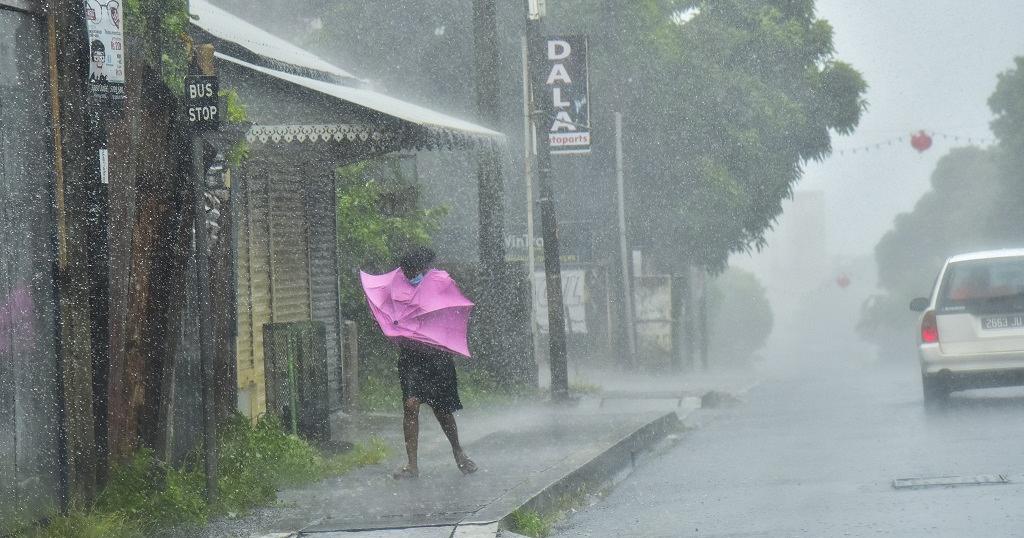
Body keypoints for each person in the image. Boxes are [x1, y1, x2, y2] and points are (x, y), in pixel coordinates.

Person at [392, 246, 477, 479]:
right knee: (410, 405)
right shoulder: (398, 289)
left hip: (437, 357)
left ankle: (458, 451)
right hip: (410, 357)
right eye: (406, 272)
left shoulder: (441, 284)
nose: (409, 276)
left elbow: (451, 313)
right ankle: (412, 465)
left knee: (442, 410)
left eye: (412, 271)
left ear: (423, 268)